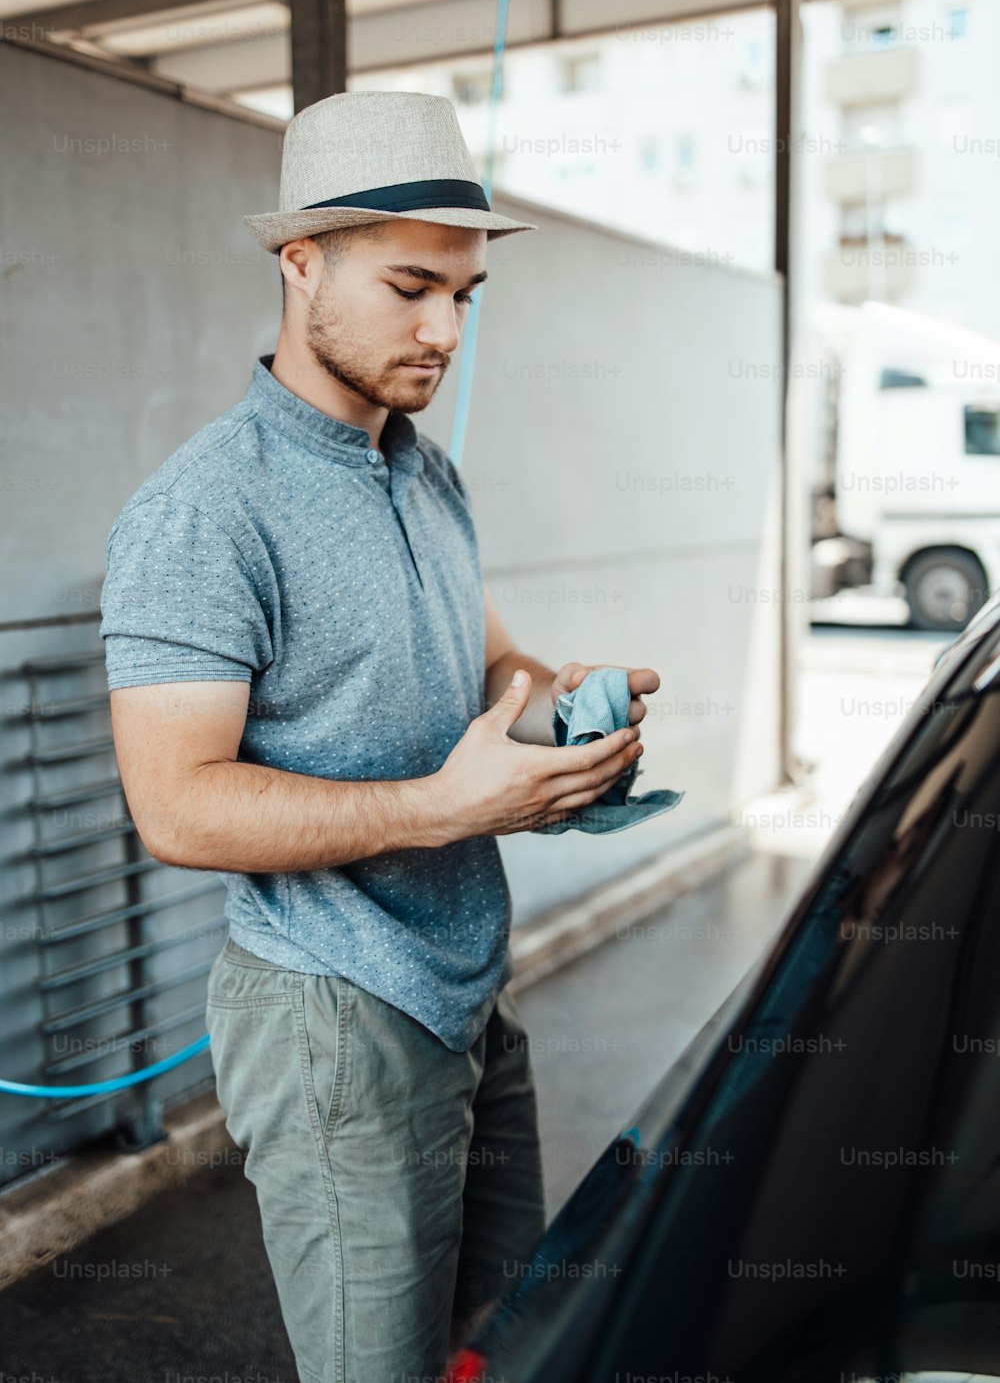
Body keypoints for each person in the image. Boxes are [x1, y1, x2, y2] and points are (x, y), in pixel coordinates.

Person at [99, 89, 658, 1383]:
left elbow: (490, 663)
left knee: (507, 1349)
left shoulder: (425, 472)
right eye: (413, 287)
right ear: (301, 267)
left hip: (467, 994)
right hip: (335, 1016)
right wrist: (448, 807)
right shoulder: (203, 513)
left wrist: (560, 710)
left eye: (466, 296)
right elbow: (177, 807)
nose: (446, 328)